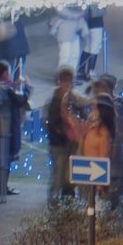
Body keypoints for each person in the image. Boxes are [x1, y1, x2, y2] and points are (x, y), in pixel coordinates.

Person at [44, 67, 79, 204]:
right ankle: (53, 201)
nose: (67, 84)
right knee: (58, 174)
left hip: (69, 142)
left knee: (68, 174)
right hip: (59, 143)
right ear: (60, 82)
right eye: (65, 81)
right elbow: (52, 123)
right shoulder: (56, 100)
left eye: (69, 82)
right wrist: (63, 132)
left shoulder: (71, 99)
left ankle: (67, 198)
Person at [0, 64, 24, 199]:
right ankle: (2, 186)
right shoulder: (0, 87)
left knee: (4, 158)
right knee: (5, 159)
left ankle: (3, 185)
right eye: (8, 73)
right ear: (3, 74)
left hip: (4, 127)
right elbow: (19, 100)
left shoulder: (3, 86)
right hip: (6, 128)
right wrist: (26, 88)